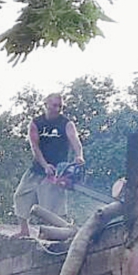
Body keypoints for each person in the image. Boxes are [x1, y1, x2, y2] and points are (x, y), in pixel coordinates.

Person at [12, 92, 85, 238]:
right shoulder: (36, 123)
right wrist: (45, 165)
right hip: (37, 169)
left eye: (60, 106)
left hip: (58, 173)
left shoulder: (66, 123)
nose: (57, 109)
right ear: (46, 105)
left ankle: (58, 233)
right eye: (54, 105)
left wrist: (79, 156)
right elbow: (35, 146)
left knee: (52, 206)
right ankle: (24, 230)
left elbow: (75, 141)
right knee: (21, 195)